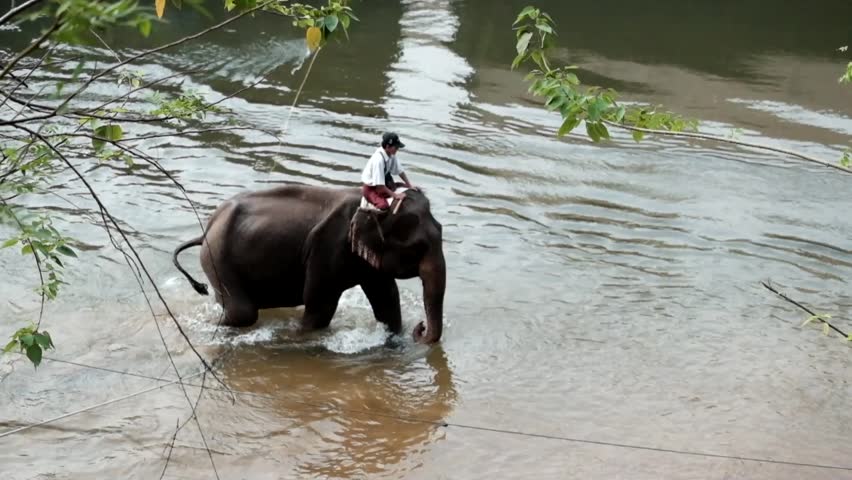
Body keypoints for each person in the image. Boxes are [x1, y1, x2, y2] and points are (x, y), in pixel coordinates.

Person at [360, 132, 418, 210]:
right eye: (396, 147)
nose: (397, 149)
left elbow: (400, 171)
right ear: (387, 147)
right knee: (383, 206)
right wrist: (396, 195)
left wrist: (409, 185)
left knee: (406, 188)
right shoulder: (378, 160)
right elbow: (380, 186)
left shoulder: (391, 154)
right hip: (372, 188)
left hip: (385, 181)